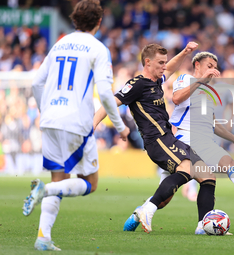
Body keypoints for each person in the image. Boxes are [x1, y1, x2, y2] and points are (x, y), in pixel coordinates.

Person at [123, 51, 234, 234]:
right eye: (209, 66)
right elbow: (177, 98)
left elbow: (213, 123)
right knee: (179, 190)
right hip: (186, 138)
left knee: (217, 170)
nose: (213, 71)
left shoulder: (209, 92)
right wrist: (202, 80)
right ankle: (142, 213)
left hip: (204, 139)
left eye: (215, 67)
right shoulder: (185, 79)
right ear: (197, 65)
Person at [22, 0, 129, 251]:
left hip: (49, 120)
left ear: (74, 20)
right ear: (99, 22)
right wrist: (119, 125)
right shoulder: (98, 48)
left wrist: (45, 110)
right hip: (76, 122)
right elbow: (104, 93)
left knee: (60, 178)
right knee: (90, 182)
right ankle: (43, 190)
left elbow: (37, 82)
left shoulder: (59, 43)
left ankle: (43, 238)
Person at [94, 42, 218, 234]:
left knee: (207, 175)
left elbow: (171, 67)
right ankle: (147, 210)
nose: (164, 67)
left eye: (165, 62)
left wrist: (185, 52)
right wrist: (91, 126)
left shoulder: (157, 80)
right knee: (185, 168)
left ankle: (204, 226)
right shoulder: (138, 84)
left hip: (168, 138)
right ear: (147, 62)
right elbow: (110, 102)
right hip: (157, 140)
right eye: (160, 63)